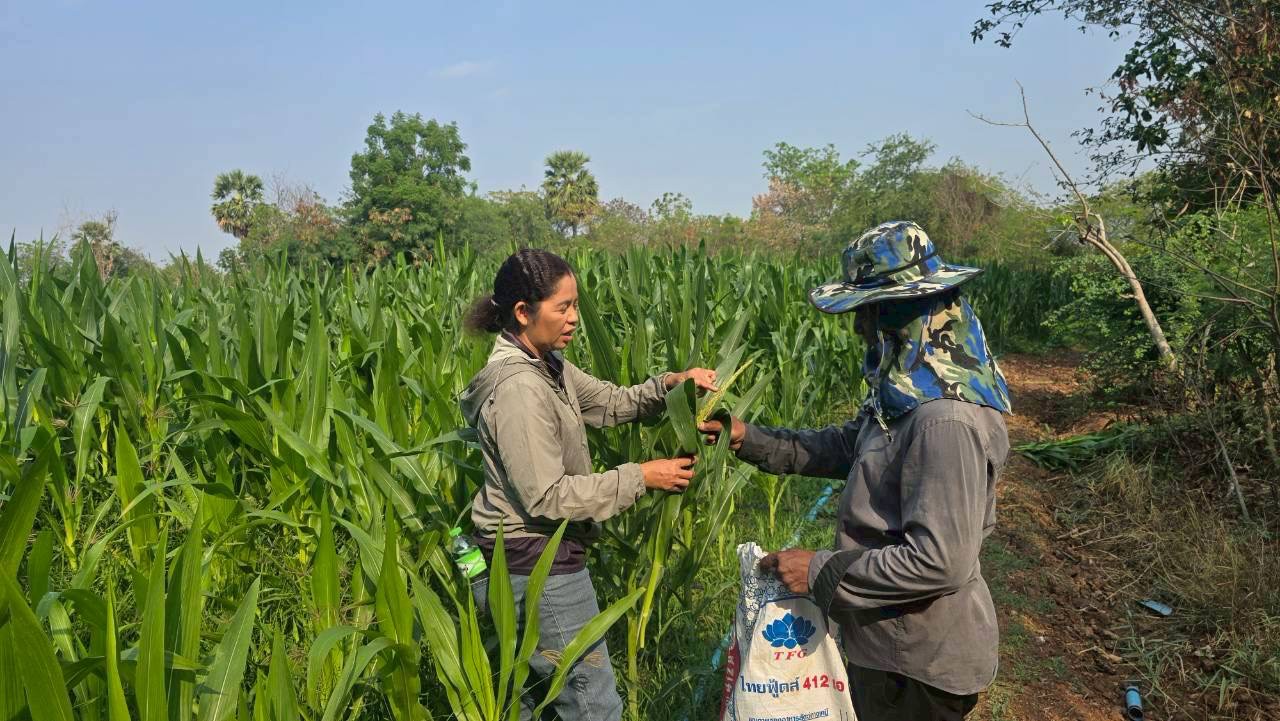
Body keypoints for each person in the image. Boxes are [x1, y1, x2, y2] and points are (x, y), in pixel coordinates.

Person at [700, 221, 1012, 721]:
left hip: (915, 665)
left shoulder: (944, 421)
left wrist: (817, 570)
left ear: (899, 314)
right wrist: (746, 437)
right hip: (888, 646)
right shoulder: (909, 398)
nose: (858, 329)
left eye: (866, 312)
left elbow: (940, 562)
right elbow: (847, 446)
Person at [460, 248, 716, 721]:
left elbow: (613, 403)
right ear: (523, 312)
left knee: (534, 703)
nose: (575, 318)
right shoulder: (519, 388)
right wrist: (641, 476)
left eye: (576, 305)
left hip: (530, 558)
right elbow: (546, 496)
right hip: (535, 563)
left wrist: (672, 385)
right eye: (563, 307)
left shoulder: (547, 364)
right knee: (593, 704)